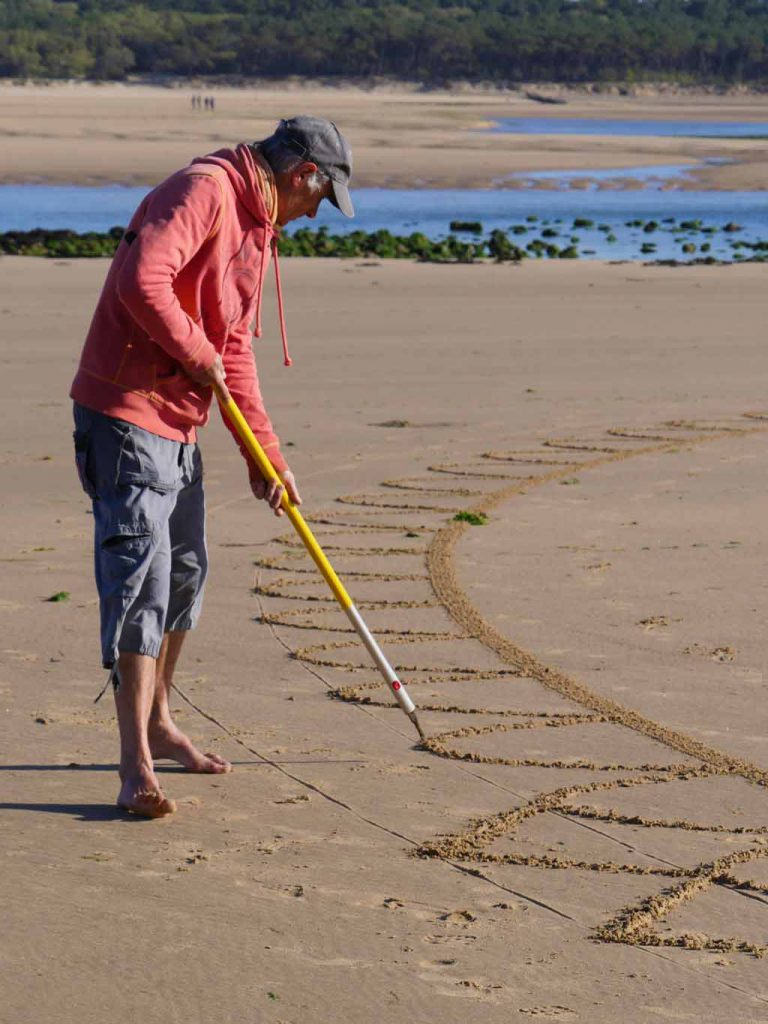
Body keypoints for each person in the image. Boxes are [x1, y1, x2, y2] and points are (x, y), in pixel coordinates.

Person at [70, 116, 354, 818]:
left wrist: (263, 453)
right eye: (322, 197)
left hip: (180, 423)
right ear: (301, 176)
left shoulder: (258, 227)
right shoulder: (204, 191)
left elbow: (232, 352)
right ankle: (134, 761)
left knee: (187, 572)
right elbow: (143, 280)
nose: (319, 212)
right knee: (142, 580)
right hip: (126, 413)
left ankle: (160, 723)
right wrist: (195, 354)